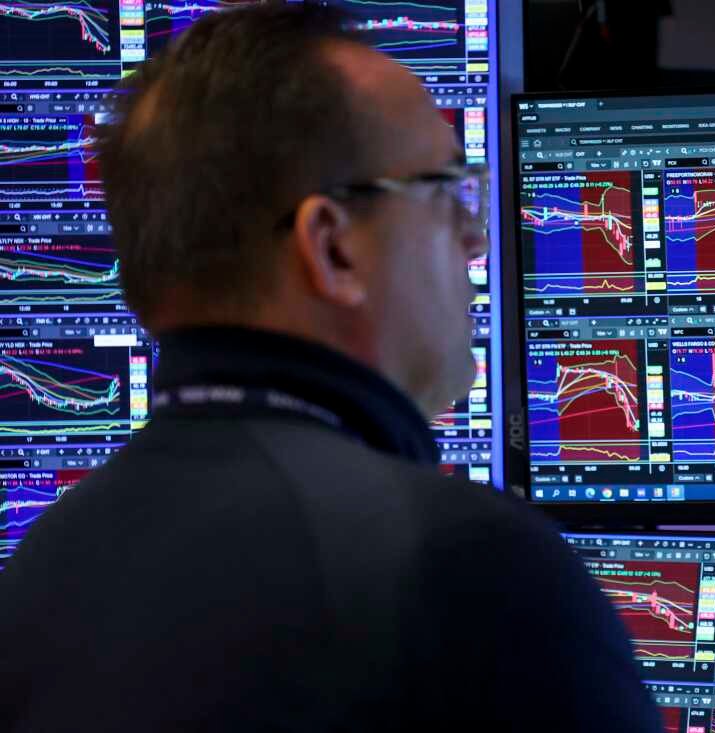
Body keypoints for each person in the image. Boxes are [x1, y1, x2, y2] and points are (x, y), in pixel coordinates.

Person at [0, 5, 661, 731]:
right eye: (446, 190)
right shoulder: (470, 572)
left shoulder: (46, 567)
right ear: (333, 245)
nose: (475, 240)